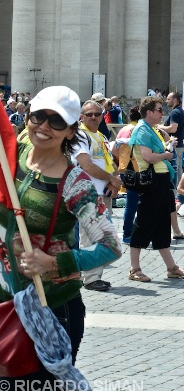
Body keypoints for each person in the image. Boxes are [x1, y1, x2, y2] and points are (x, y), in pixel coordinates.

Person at [0, 86, 121, 391]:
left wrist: (56, 263)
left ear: (72, 130)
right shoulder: (11, 157)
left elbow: (111, 246)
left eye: (57, 121)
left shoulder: (74, 183)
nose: (44, 126)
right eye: (38, 116)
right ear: (28, 117)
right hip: (5, 303)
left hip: (51, 308)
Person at [127, 97, 184, 282]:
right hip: (151, 182)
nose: (162, 113)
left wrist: (167, 147)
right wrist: (166, 155)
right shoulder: (142, 129)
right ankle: (134, 268)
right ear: (149, 112)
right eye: (159, 110)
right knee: (144, 222)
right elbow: (148, 156)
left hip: (161, 181)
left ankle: (171, 267)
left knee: (162, 224)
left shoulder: (151, 129)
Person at [71, 99, 122, 292]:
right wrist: (112, 178)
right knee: (90, 237)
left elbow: (109, 163)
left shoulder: (100, 136)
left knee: (102, 236)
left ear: (102, 116)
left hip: (102, 192)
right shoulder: (80, 135)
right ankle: (90, 278)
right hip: (88, 193)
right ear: (81, 117)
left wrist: (114, 181)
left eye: (97, 114)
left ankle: (93, 275)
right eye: (89, 114)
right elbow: (86, 165)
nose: (93, 117)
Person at [114, 106, 141, 244]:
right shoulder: (139, 129)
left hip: (124, 169)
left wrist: (122, 161)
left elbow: (114, 150)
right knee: (138, 204)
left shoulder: (123, 130)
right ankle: (133, 233)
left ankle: (127, 234)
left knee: (130, 203)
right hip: (136, 170)